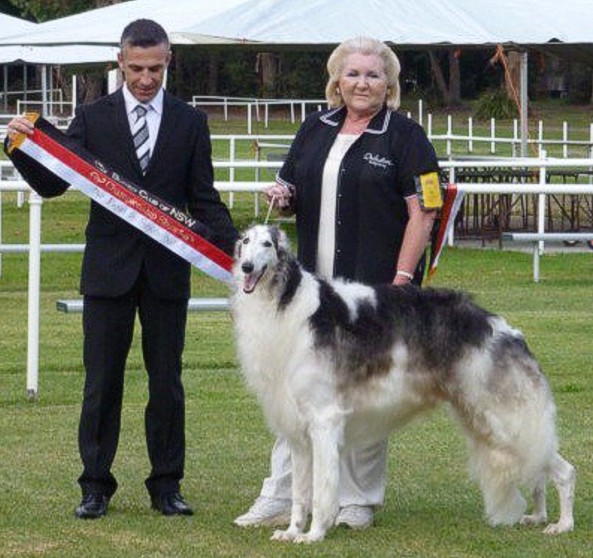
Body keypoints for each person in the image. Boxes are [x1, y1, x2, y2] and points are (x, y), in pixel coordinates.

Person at [5, 19, 238, 519]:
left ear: (168, 61)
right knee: (101, 383)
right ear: (120, 62)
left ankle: (166, 486)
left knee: (167, 383)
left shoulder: (190, 123)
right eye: (136, 68)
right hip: (109, 272)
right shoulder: (92, 117)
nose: (146, 78)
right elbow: (52, 185)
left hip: (166, 273)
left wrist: (238, 249)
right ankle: (94, 486)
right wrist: (19, 149)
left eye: (155, 68)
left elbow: (203, 197)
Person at [234, 36, 441, 530]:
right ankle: (282, 493)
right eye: (352, 74)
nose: (361, 83)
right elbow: (292, 196)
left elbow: (425, 210)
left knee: (363, 393)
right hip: (308, 295)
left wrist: (402, 280)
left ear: (388, 83)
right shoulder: (314, 128)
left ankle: (357, 499)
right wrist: (282, 196)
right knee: (295, 393)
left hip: (372, 295)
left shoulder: (406, 136)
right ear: (337, 80)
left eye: (372, 75)